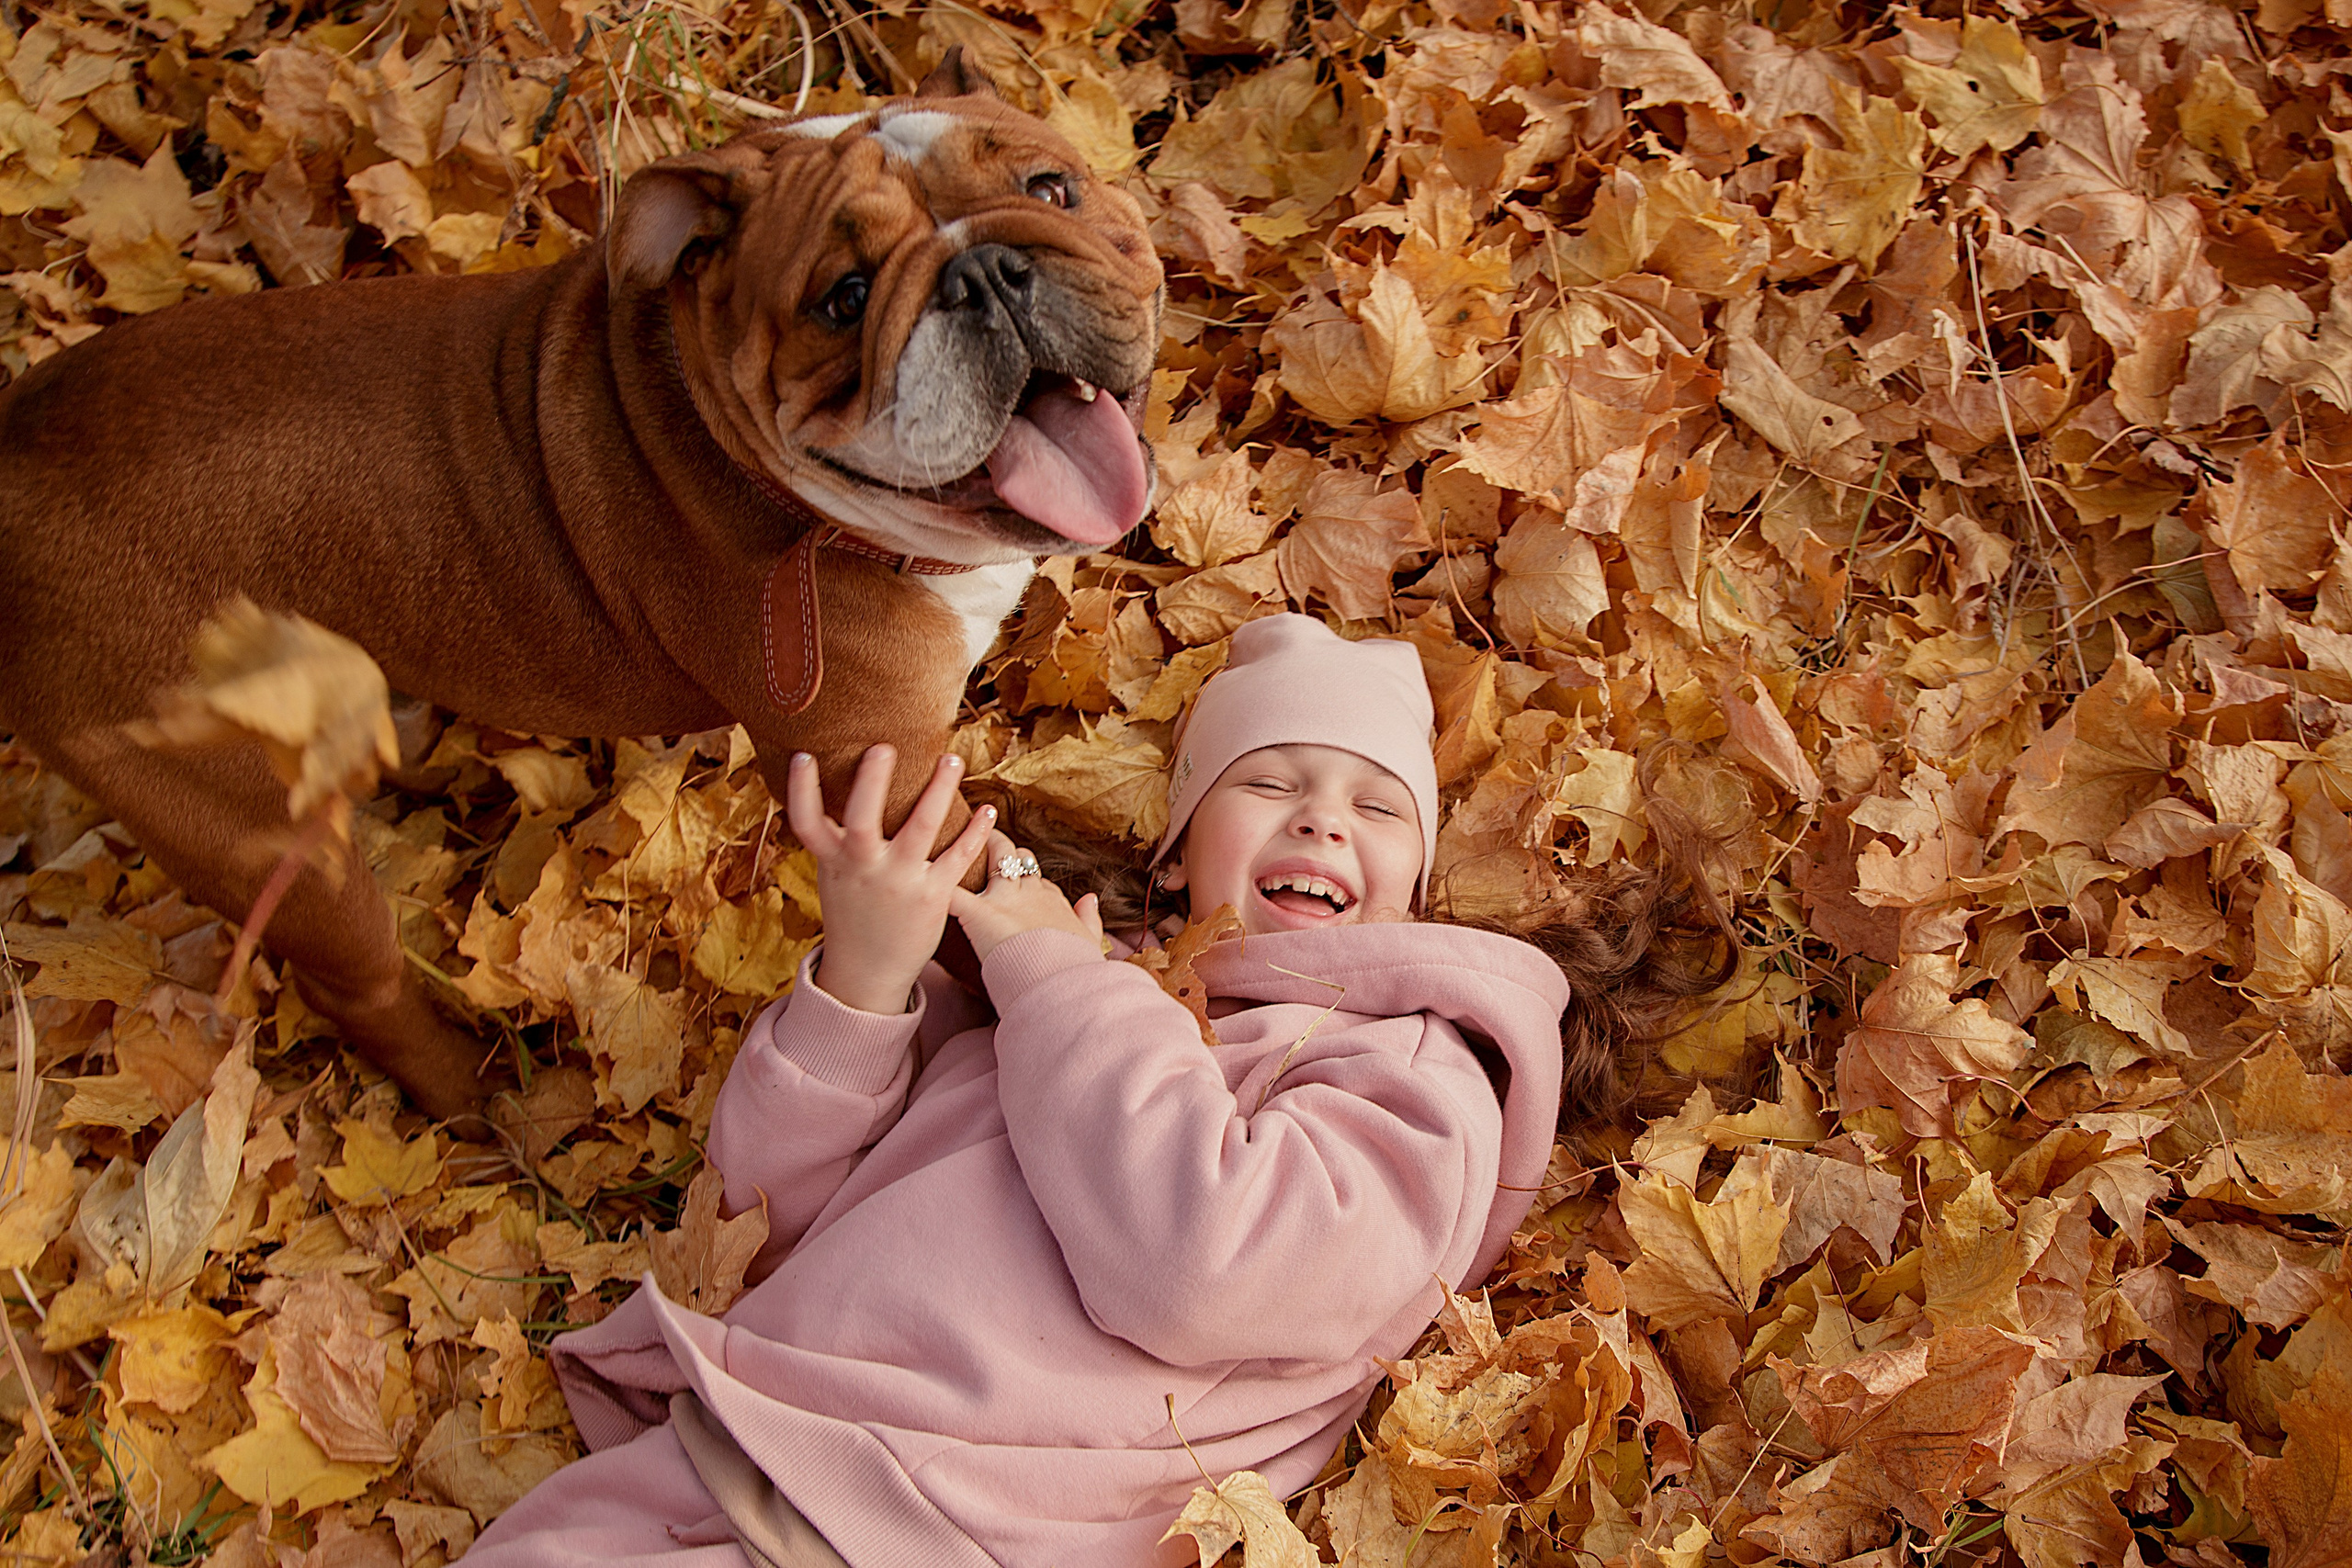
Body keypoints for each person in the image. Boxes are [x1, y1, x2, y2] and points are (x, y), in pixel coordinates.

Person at [459, 614, 1736, 1568]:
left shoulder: (1409, 1068)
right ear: (1176, 862)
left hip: (932, 1532)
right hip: (706, 1456)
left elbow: (1213, 1264)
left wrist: (1056, 982)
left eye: (1377, 807)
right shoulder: (1050, 993)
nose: (1325, 824)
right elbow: (753, 1222)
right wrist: (865, 980)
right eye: (1270, 784)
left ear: (1415, 888)